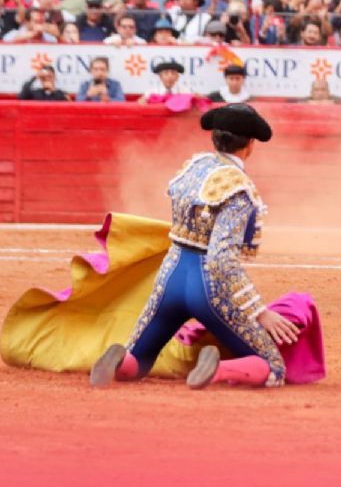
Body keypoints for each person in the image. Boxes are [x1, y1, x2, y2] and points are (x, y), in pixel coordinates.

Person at [89, 104, 301, 390]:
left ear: (215, 137)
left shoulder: (194, 166)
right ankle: (216, 370)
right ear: (250, 145)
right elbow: (221, 260)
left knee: (138, 361)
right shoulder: (239, 189)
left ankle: (120, 361)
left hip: (170, 276)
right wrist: (260, 311)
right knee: (273, 367)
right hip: (207, 289)